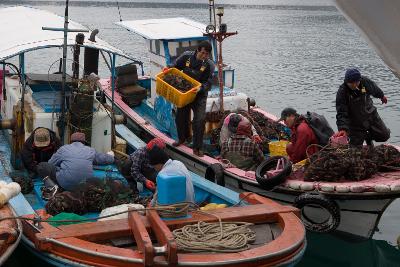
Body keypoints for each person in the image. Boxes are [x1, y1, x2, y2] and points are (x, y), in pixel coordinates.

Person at [167, 40, 215, 157]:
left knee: (200, 120)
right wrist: (168, 69)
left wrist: (200, 88)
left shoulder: (209, 65)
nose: (204, 56)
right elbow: (175, 66)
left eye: (207, 54)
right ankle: (181, 139)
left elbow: (209, 83)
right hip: (185, 91)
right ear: (197, 50)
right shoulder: (186, 56)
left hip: (199, 95)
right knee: (180, 116)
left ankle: (197, 148)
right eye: (203, 53)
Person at [37, 132, 114, 193]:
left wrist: (60, 166)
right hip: (85, 185)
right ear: (84, 142)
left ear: (71, 141)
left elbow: (51, 163)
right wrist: (111, 156)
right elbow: (104, 159)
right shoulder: (90, 150)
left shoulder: (64, 148)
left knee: (42, 166)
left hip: (65, 184)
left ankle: (53, 187)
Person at [333, 68, 390, 146]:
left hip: (371, 116)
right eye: (351, 83)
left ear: (359, 80)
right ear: (346, 82)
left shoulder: (364, 82)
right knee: (355, 149)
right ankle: (360, 137)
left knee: (385, 135)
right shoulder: (342, 92)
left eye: (356, 82)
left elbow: (374, 89)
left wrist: (382, 96)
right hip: (355, 123)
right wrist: (343, 128)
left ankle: (367, 137)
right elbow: (341, 112)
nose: (354, 85)